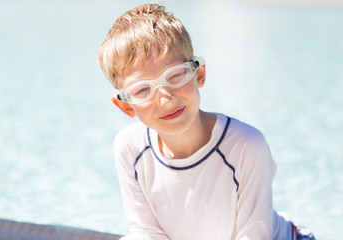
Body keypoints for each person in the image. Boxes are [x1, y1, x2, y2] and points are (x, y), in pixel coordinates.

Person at [98, 3, 315, 240]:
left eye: (176, 75)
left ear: (198, 74)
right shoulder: (130, 148)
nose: (165, 98)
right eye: (142, 90)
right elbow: (146, 232)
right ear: (126, 105)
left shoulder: (246, 145)